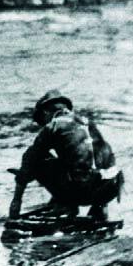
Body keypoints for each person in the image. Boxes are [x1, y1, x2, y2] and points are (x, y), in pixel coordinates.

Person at [8, 89, 124, 221]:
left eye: (42, 120)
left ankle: (65, 206)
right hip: (111, 187)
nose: (43, 124)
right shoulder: (87, 122)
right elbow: (101, 157)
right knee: (88, 159)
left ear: (46, 112)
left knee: (40, 161)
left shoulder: (53, 125)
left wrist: (16, 200)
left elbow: (30, 159)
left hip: (85, 190)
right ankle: (100, 208)